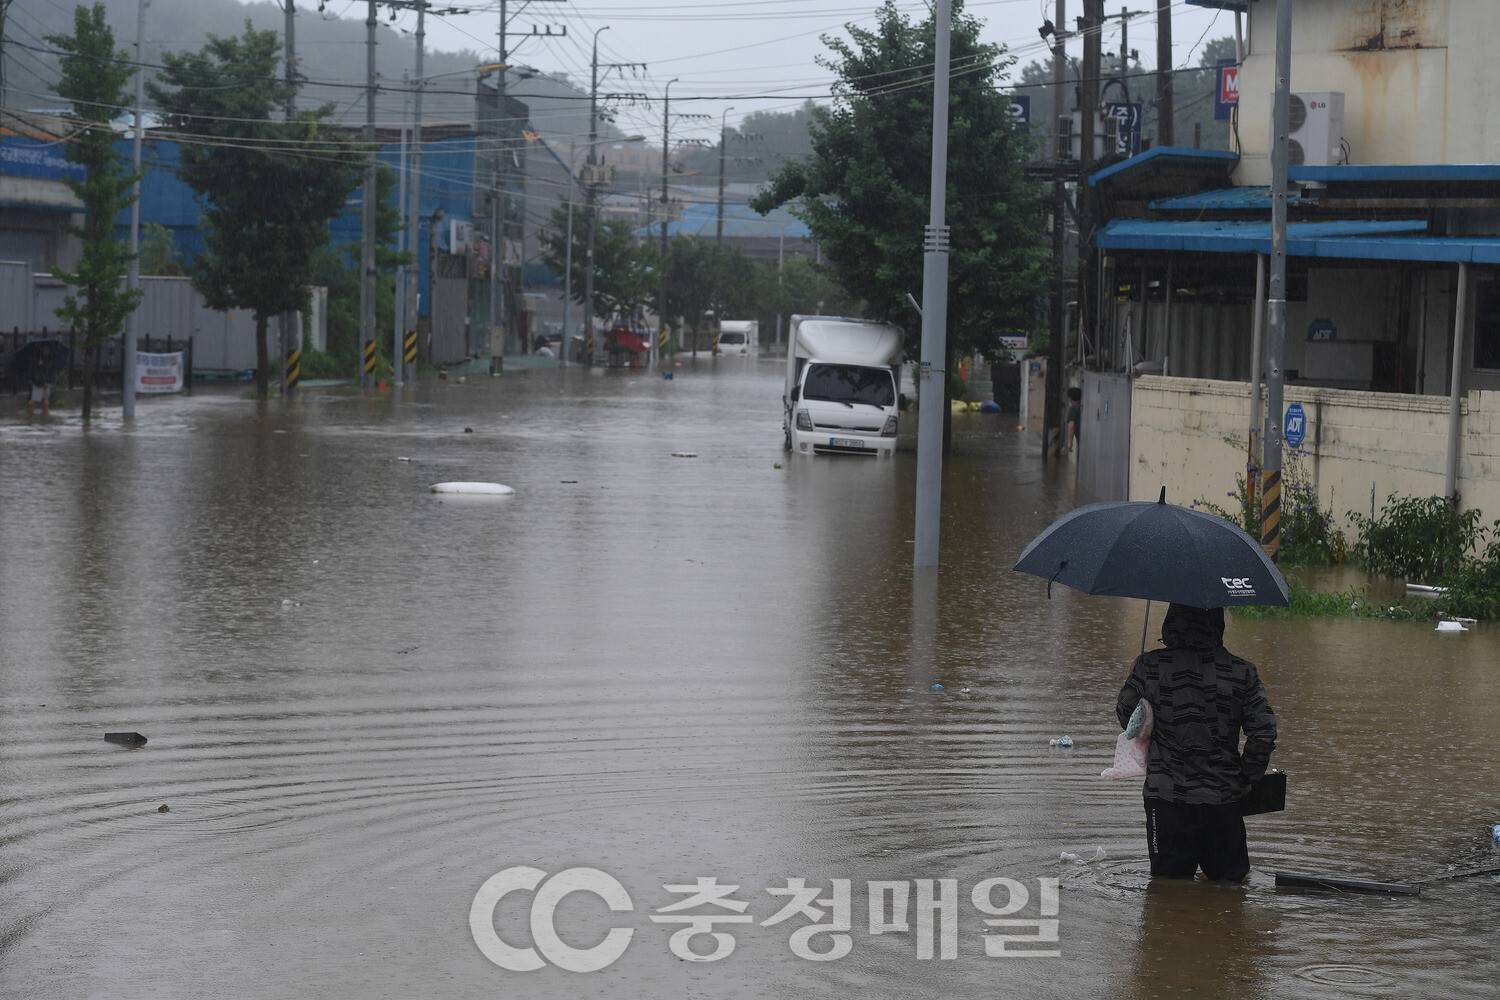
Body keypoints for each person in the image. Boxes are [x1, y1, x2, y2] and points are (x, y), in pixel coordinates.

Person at [1116, 604, 1277, 882]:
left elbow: (1128, 722)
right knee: (1230, 895)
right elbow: (1263, 733)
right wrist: (1246, 779)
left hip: (1166, 802)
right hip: (1223, 801)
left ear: (1171, 622)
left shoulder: (1150, 666)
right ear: (1217, 624)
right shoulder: (1243, 672)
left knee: (1167, 895)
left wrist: (1134, 676)